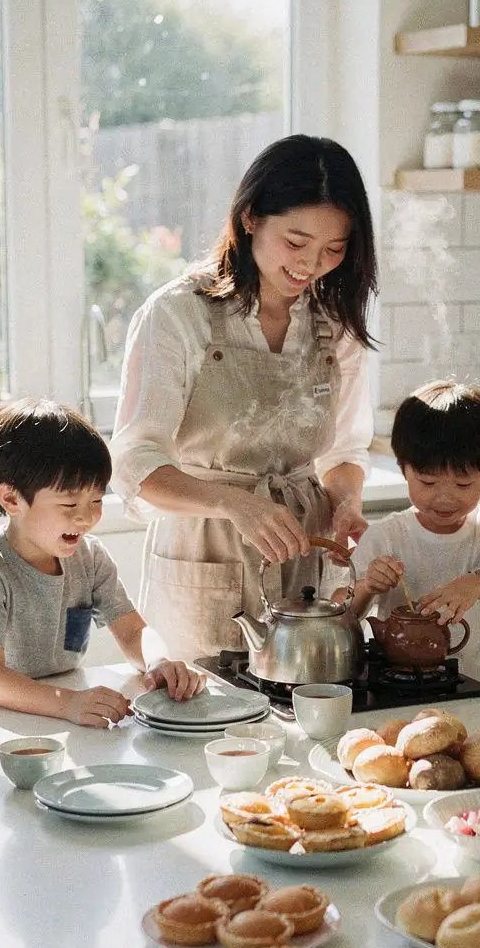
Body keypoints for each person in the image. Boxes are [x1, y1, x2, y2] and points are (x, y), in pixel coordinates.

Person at [110, 134, 377, 660]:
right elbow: (135, 462)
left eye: (333, 250)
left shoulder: (334, 326)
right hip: (201, 556)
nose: (311, 265)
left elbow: (345, 451)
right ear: (250, 217)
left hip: (303, 555)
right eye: (296, 243)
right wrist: (232, 503)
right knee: (200, 698)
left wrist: (346, 503)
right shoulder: (179, 314)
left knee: (302, 700)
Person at [0, 401, 206, 727]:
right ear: (11, 499)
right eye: (69, 503)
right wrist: (69, 703)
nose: (86, 517)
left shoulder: (90, 557)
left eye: (96, 500)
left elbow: (133, 630)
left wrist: (158, 660)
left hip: (64, 702)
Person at [349, 380, 480, 685]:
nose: (445, 498)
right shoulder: (385, 537)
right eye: (428, 482)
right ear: (404, 470)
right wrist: (367, 585)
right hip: (405, 686)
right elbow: (342, 614)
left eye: (463, 485)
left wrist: (478, 586)